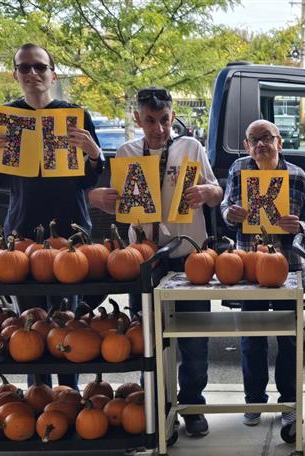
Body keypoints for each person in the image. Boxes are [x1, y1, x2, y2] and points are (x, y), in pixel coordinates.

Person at [89, 87, 223, 437]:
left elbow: (217, 191)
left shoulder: (191, 148)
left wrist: (208, 193)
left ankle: (193, 404)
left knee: (194, 339)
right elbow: (115, 206)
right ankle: (158, 403)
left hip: (187, 257)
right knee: (148, 337)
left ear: (172, 115)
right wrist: (107, 200)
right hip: (144, 259)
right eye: (150, 121)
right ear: (137, 119)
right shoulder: (126, 153)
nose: (159, 129)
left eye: (164, 120)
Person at [0, 43, 104, 391]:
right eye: (24, 67)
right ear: (15, 74)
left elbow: (88, 178)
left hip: (71, 231)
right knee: (30, 324)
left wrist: (94, 154)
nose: (33, 74)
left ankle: (70, 395)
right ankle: (39, 397)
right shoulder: (6, 120)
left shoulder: (75, 115)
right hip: (23, 230)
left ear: (53, 74)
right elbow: (0, 179)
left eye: (40, 67)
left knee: (67, 322)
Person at [221, 119, 305, 430]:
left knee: (290, 338)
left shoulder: (296, 175)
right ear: (247, 144)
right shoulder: (239, 170)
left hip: (288, 269)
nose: (261, 144)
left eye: (267, 138)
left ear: (279, 142)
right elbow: (225, 206)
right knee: (252, 337)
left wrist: (301, 227)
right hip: (249, 269)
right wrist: (230, 214)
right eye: (254, 139)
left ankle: (289, 401)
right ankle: (254, 400)